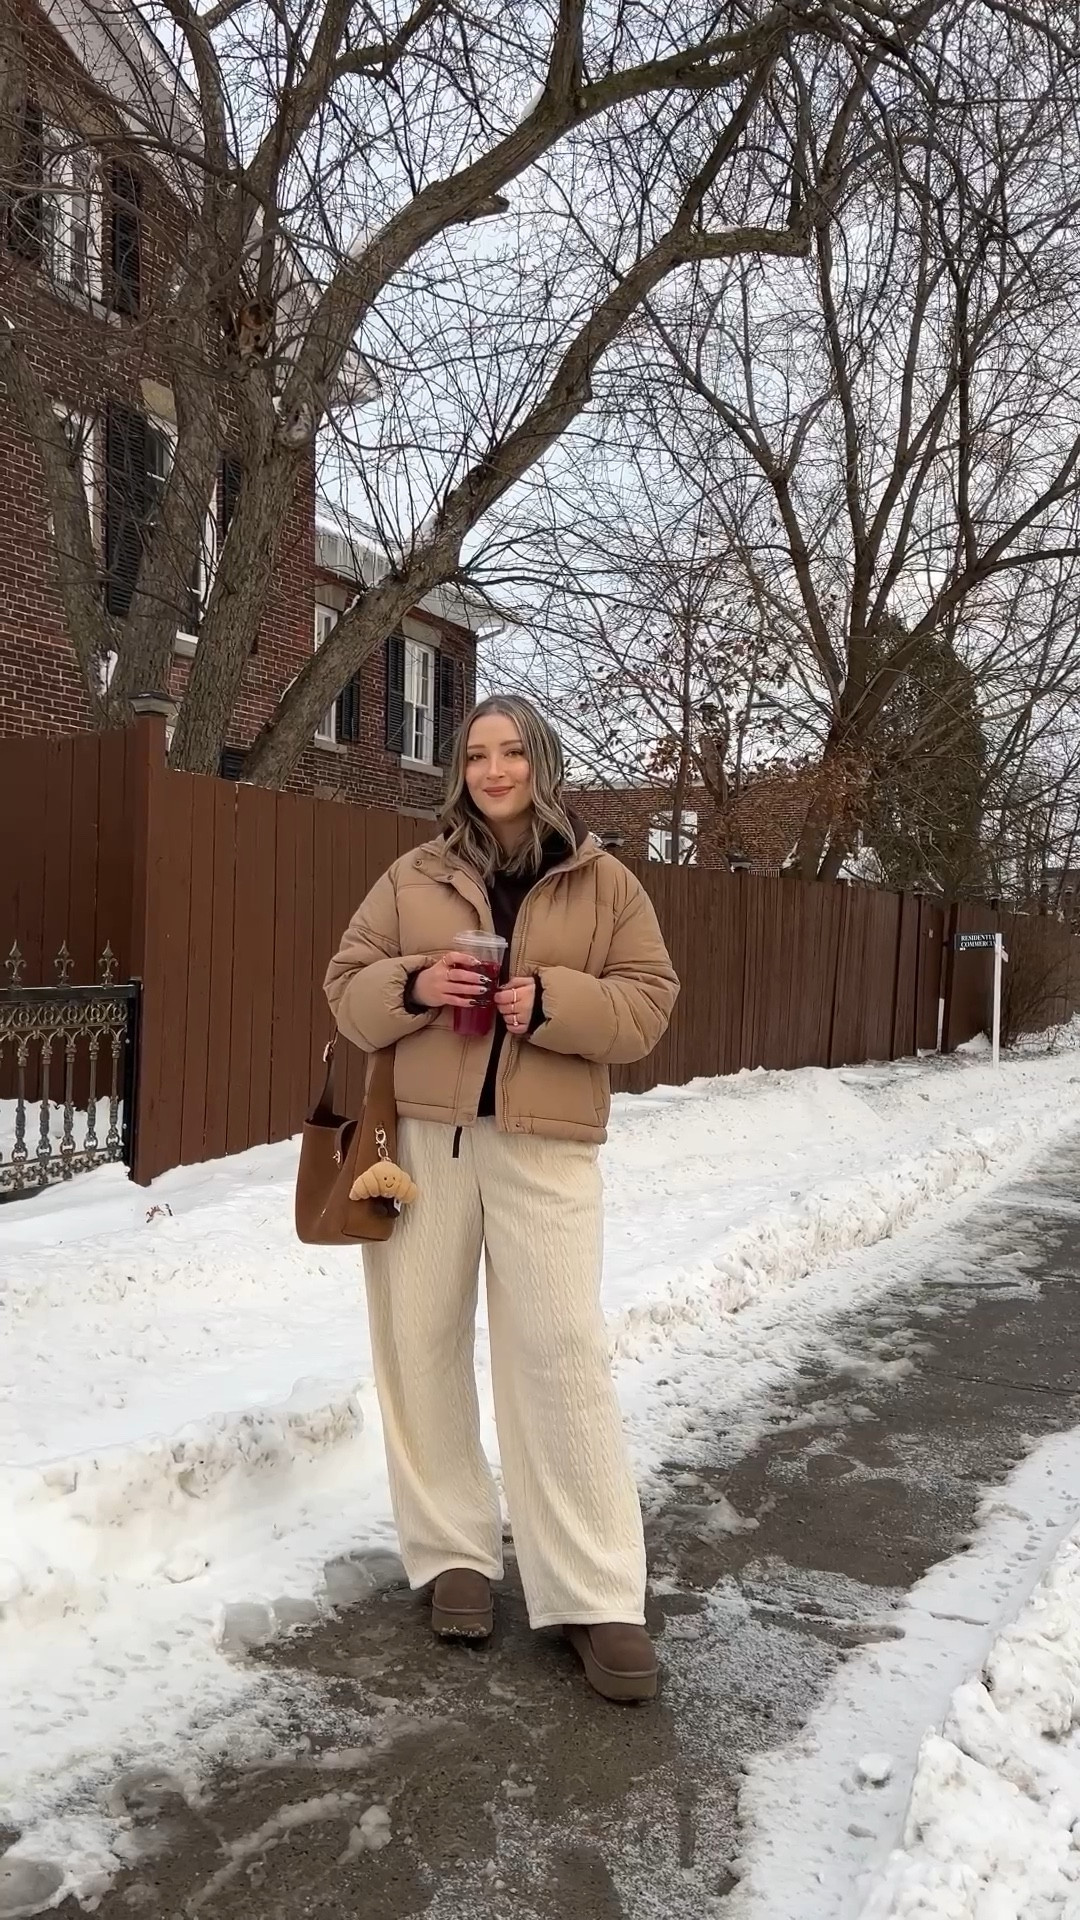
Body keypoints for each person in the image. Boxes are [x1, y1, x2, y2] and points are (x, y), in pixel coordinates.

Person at [324, 696, 679, 1702]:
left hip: (548, 1149)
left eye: (511, 749)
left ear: (543, 761)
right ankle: (454, 1560)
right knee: (419, 1342)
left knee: (560, 1351)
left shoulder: (606, 883)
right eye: (476, 752)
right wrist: (414, 985)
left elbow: (650, 1005)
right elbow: (344, 986)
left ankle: (596, 1592)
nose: (493, 767)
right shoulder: (415, 874)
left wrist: (556, 1002)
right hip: (423, 1148)